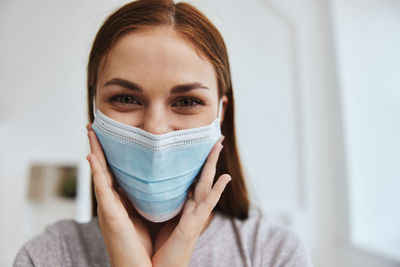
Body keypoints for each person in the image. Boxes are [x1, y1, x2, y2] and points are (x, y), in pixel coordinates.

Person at [13, 0, 313, 266]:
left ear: (220, 114)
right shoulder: (45, 257)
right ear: (95, 108)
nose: (155, 130)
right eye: (126, 98)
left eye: (186, 102)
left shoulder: (273, 255)